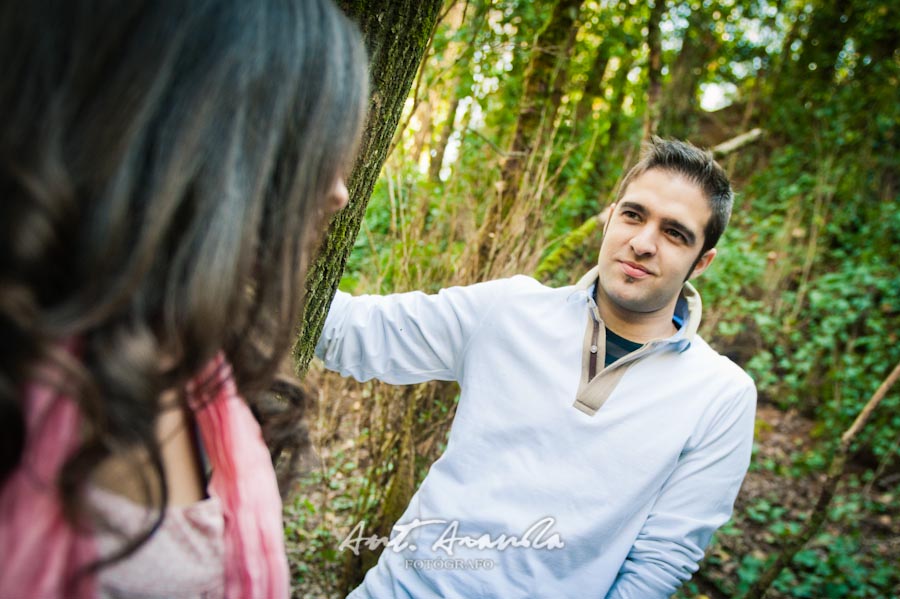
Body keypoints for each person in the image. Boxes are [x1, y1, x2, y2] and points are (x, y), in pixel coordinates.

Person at [0, 1, 367, 597]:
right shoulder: (27, 379)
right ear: (184, 127)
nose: (338, 192)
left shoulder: (200, 362)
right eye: (300, 133)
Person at [317, 138, 757, 598]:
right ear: (610, 218)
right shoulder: (509, 310)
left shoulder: (721, 395)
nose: (642, 243)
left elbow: (661, 561)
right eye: (633, 215)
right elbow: (348, 332)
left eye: (675, 233)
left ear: (701, 261)